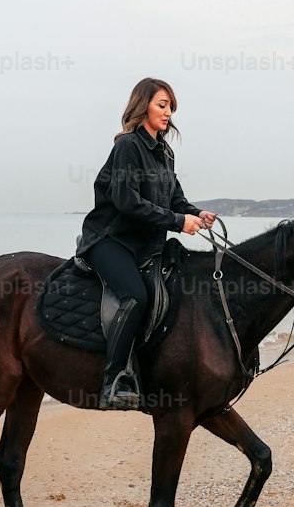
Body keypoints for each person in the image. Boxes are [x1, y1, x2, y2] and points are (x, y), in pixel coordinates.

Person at [76, 78, 217, 410]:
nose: (168, 113)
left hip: (144, 246)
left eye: (170, 107)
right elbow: (126, 201)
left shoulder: (165, 153)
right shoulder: (127, 146)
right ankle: (114, 381)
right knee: (136, 296)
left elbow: (176, 200)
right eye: (162, 105)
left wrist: (196, 213)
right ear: (143, 106)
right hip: (110, 239)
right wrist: (178, 222)